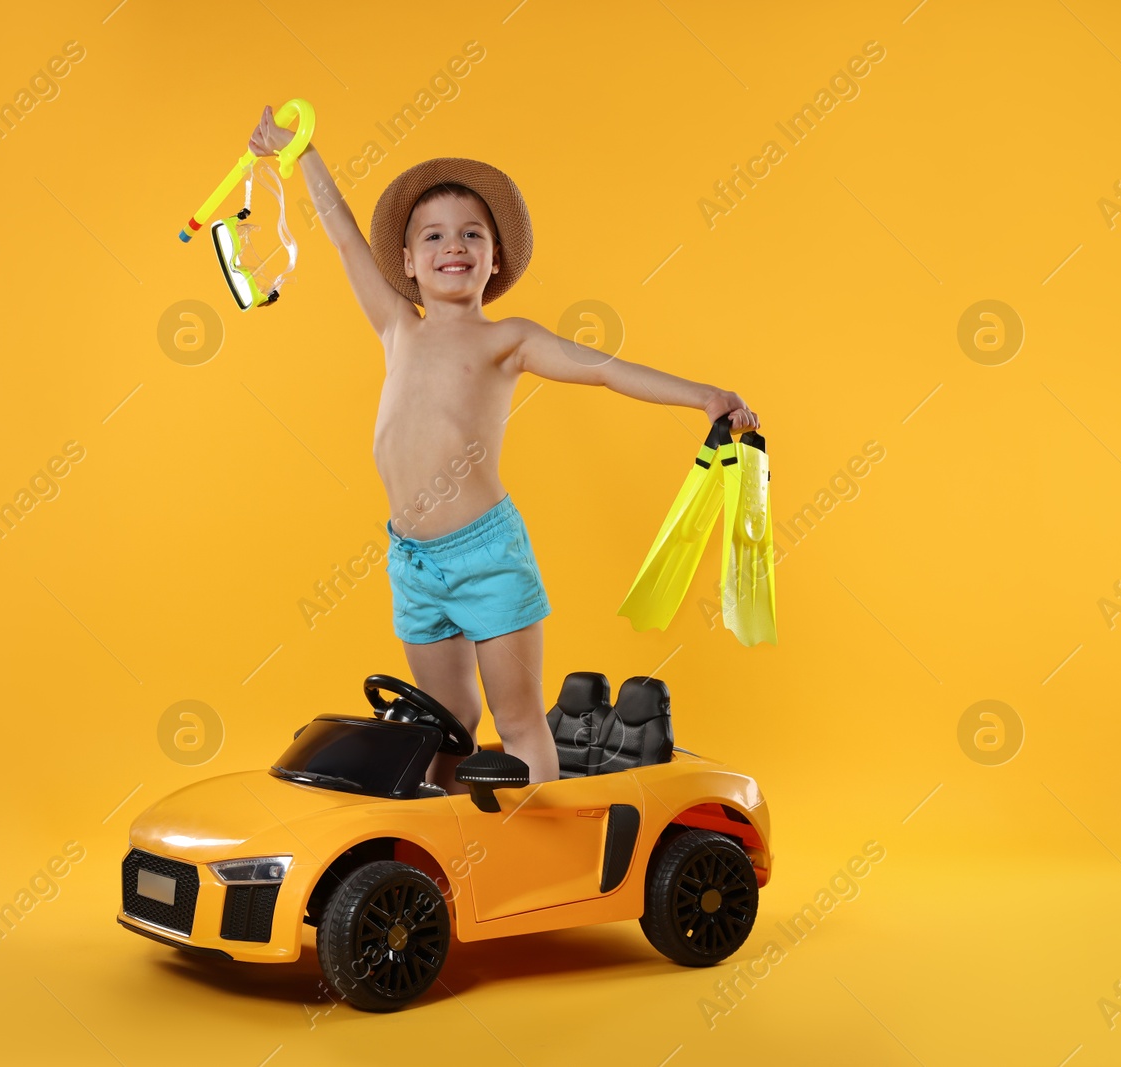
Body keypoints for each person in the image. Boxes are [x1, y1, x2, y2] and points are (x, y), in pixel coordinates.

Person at [248, 106, 758, 791]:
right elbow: (342, 237)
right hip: (413, 562)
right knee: (447, 721)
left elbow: (602, 367)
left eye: (471, 234)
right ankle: (465, 853)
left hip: (487, 557)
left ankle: (539, 851)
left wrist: (703, 394)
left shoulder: (506, 340)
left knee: (516, 720)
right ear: (406, 261)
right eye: (432, 236)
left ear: (494, 258)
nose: (451, 245)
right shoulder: (398, 326)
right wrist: (299, 153)